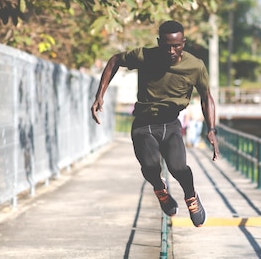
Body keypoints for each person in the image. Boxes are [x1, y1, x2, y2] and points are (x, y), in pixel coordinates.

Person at [91, 20, 220, 227]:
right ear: (159, 42)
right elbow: (115, 60)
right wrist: (100, 95)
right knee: (150, 167)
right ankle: (160, 190)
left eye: (176, 45)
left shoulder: (195, 66)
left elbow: (206, 97)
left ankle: (191, 196)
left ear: (183, 43)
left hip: (170, 124)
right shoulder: (145, 56)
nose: (171, 50)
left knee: (178, 168)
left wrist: (211, 129)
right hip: (143, 124)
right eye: (167, 45)